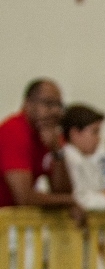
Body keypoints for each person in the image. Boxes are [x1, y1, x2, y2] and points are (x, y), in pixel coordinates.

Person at [0, 79, 78, 211]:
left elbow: (62, 191)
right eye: (48, 103)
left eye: (59, 105)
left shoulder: (52, 136)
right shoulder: (13, 131)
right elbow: (24, 198)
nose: (55, 111)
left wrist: (56, 150)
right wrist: (68, 201)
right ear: (27, 104)